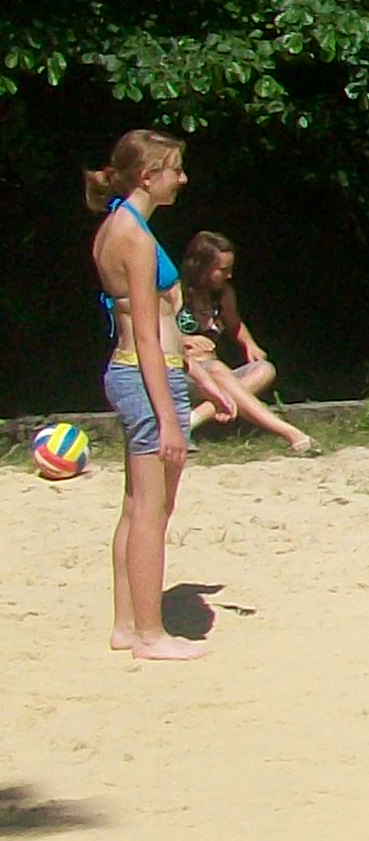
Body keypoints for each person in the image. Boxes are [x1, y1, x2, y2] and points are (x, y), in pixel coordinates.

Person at [89, 130, 208, 660]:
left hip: (136, 371)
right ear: (147, 175)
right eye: (174, 169)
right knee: (152, 512)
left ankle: (126, 624)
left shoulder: (116, 225)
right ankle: (150, 634)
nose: (181, 178)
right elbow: (144, 331)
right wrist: (167, 419)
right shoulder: (133, 236)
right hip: (145, 376)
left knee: (136, 506)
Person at [177, 232, 318, 454]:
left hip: (217, 375)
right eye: (222, 269)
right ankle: (289, 432)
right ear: (201, 267)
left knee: (264, 369)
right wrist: (184, 339)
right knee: (217, 369)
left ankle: (191, 419)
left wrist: (250, 345)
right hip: (184, 372)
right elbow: (154, 333)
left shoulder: (223, 294)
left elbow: (235, 325)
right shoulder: (176, 293)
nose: (229, 275)